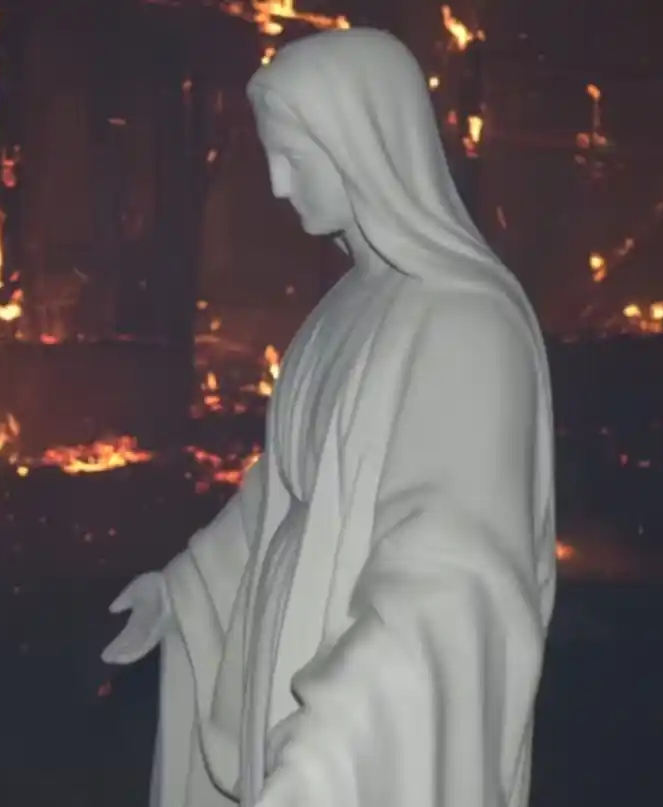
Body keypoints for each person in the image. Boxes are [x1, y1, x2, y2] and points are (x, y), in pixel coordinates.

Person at [101, 27, 557, 807]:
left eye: (298, 158)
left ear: (366, 145)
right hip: (284, 661)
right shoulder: (343, 307)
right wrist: (191, 587)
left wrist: (335, 747)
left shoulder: (464, 326)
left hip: (348, 706)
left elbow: (447, 580)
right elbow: (284, 492)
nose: (278, 186)